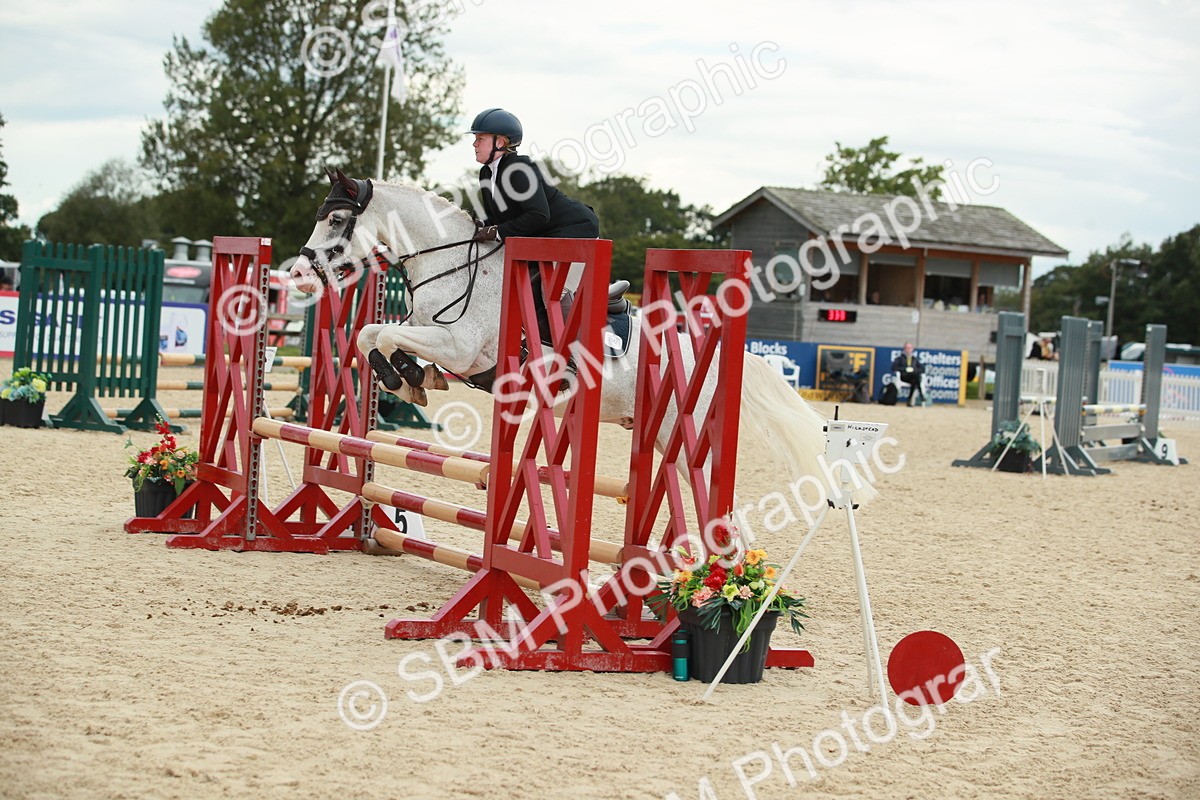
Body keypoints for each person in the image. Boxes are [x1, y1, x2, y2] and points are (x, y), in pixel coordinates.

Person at [468, 108, 605, 343]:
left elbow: (538, 215)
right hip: (543, 236)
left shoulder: (519, 169)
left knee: (553, 291)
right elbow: (499, 218)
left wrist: (498, 231)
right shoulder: (485, 174)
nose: (474, 144)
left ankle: (575, 354)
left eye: (480, 138)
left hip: (574, 231)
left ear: (500, 142)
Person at [891, 342, 928, 407]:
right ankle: (921, 395)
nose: (908, 349)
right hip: (904, 377)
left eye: (910, 348)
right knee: (916, 378)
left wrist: (913, 370)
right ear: (904, 349)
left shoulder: (914, 359)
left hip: (913, 378)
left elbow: (922, 369)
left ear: (912, 349)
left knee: (915, 379)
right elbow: (894, 368)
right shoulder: (900, 358)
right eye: (907, 348)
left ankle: (909, 400)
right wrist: (906, 369)